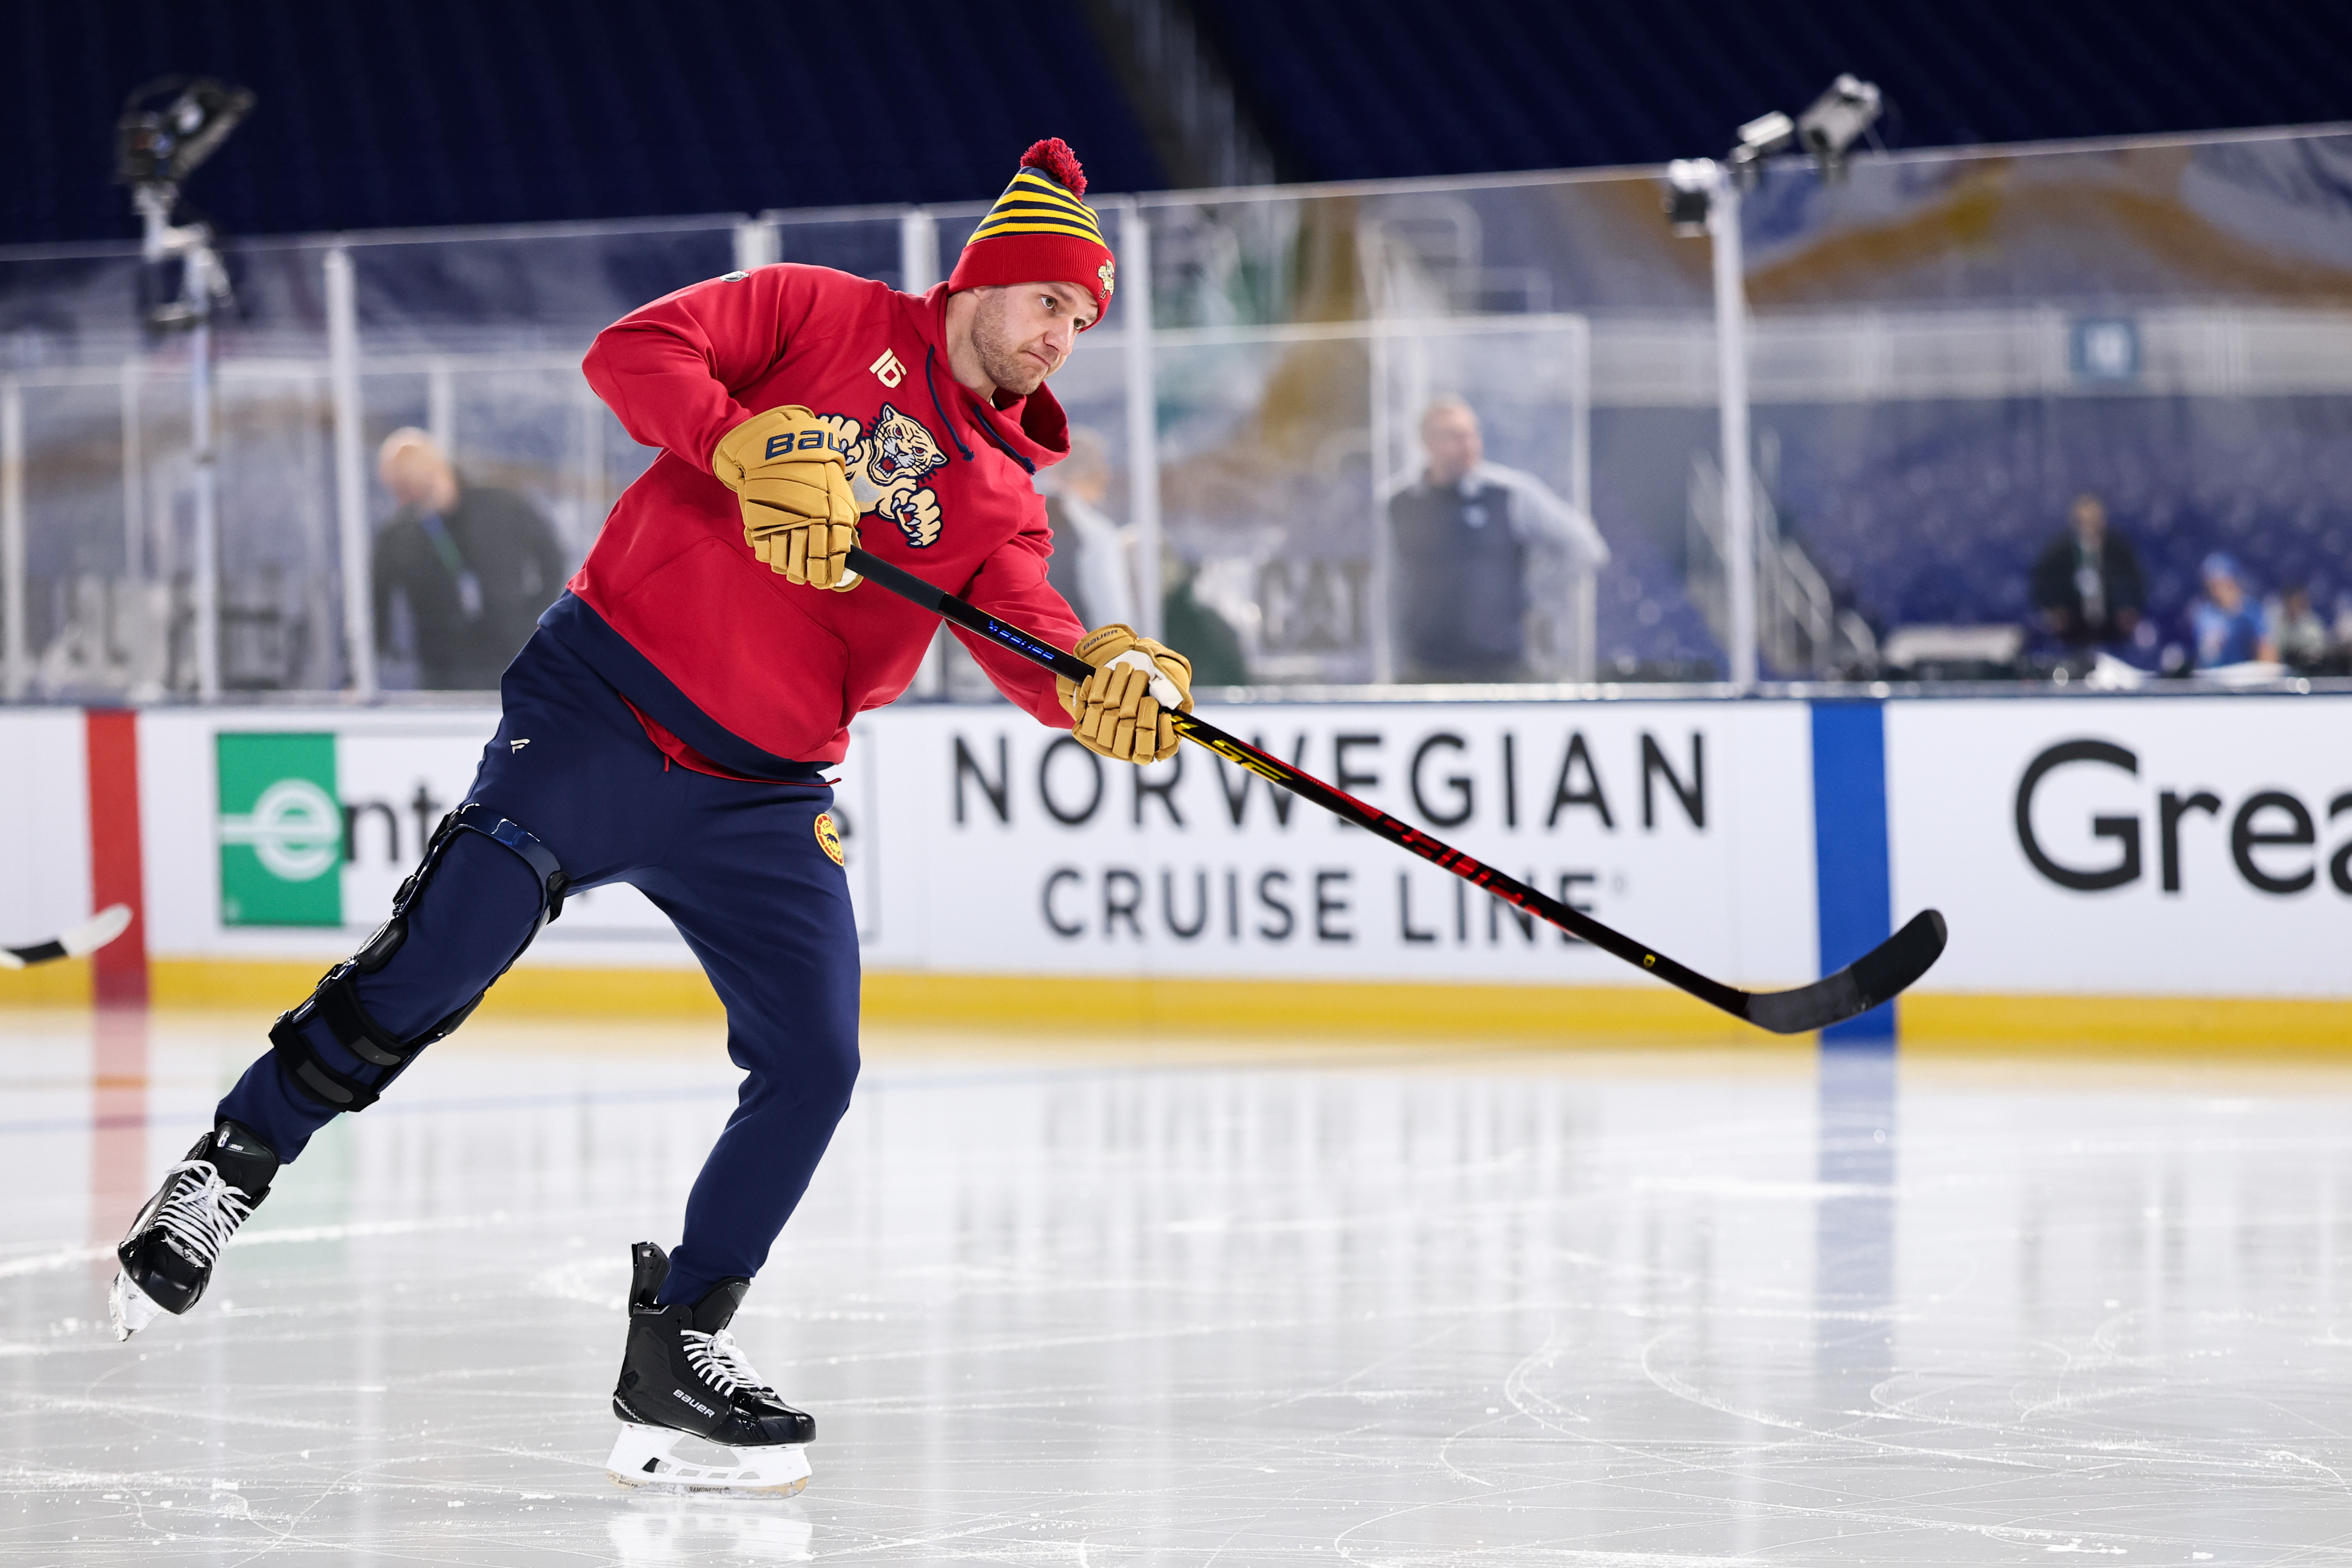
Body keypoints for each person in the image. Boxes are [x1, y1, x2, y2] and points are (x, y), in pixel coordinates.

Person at [106, 138, 1194, 1499]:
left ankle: (678, 1345)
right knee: (446, 951)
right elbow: (632, 353)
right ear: (983, 279)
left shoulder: (999, 491)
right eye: (1049, 302)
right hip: (603, 706)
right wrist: (743, 441)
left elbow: (1026, 627)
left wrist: (1101, 677)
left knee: (816, 1057)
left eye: (1084, 323)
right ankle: (234, 1161)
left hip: (765, 791)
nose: (1060, 336)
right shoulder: (817, 309)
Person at [1384, 397, 1609, 682]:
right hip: (1426, 666)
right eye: (1454, 436)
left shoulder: (1508, 494)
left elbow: (1585, 548)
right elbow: (1389, 585)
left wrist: (1532, 595)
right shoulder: (1400, 503)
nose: (1467, 445)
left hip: (1501, 668)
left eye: (1471, 434)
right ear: (1427, 443)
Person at [370, 430, 568, 689]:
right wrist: (361, 670)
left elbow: (552, 558)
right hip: (441, 672)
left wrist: (536, 616)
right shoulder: (398, 535)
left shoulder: (502, 507)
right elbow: (377, 602)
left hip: (511, 658)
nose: (403, 502)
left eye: (407, 490)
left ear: (432, 475)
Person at [1037, 426, 1135, 629]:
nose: (1106, 477)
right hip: (1074, 650)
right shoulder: (1094, 534)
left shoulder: (1021, 517)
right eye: (1101, 469)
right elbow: (1112, 616)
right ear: (1088, 474)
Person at [2029, 493, 2143, 647]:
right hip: (2071, 629)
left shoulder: (2118, 551)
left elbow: (2134, 582)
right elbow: (2044, 584)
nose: (2089, 526)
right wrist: (2055, 609)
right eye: (2084, 521)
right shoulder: (2059, 553)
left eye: (2094, 520)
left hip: (2114, 628)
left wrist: (2128, 608)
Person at [2191, 552, 2276, 667]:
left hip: (2245, 678)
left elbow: (2267, 651)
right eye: (2213, 586)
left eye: (2224, 585)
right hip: (2213, 679)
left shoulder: (2251, 611)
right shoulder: (2205, 615)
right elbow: (2204, 655)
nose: (2218, 591)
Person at [2268, 582, 2331, 669]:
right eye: (2290, 602)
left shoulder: (2312, 624)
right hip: (2283, 668)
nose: (2293, 605)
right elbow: (2273, 648)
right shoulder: (2276, 622)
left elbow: (2319, 651)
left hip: (2309, 668)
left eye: (2297, 602)